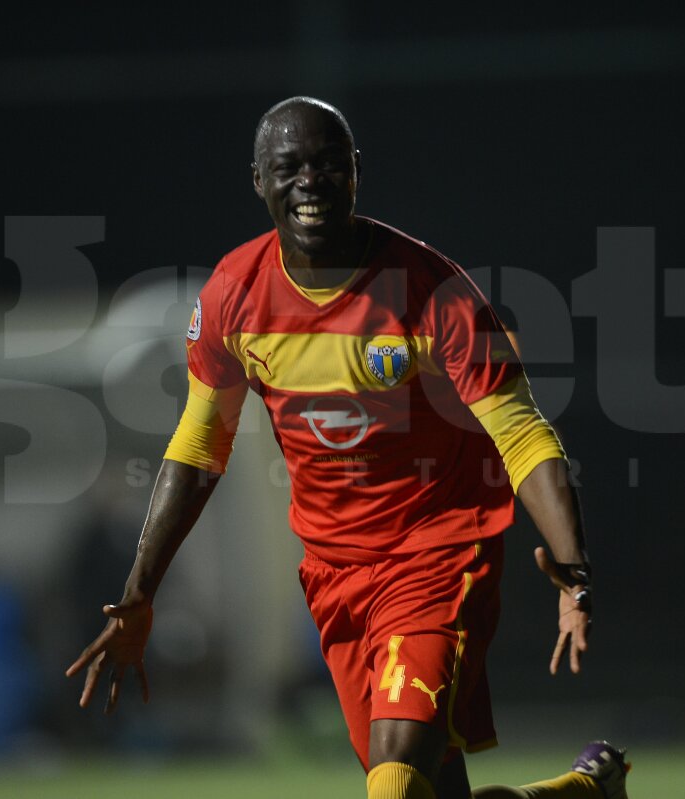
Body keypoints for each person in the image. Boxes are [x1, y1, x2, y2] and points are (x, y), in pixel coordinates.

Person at [67, 96, 631, 799]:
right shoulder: (233, 297)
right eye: (290, 167)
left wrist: (573, 566)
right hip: (336, 573)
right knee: (427, 793)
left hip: (436, 555)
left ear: (357, 173)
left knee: (393, 785)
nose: (311, 181)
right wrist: (139, 593)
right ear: (257, 181)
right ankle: (585, 791)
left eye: (330, 164)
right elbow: (198, 445)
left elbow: (521, 432)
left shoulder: (433, 292)